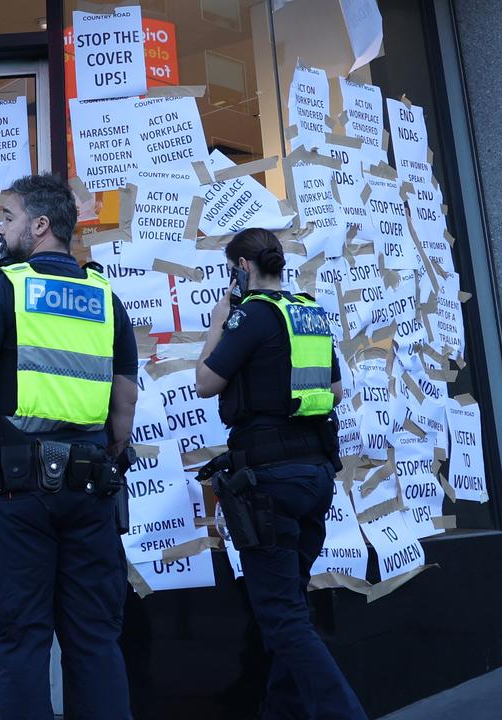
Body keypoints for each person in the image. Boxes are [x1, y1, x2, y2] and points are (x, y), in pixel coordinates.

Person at [0, 173, 139, 720]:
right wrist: (101, 457)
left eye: (8, 217)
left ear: (40, 225)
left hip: (19, 498)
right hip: (91, 491)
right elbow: (123, 412)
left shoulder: (7, 288)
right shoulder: (105, 298)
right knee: (94, 642)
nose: (1, 228)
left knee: (22, 645)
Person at [195, 227, 367, 720]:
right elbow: (334, 390)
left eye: (232, 269)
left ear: (242, 268)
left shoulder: (248, 315)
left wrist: (219, 323)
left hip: (269, 482)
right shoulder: (306, 312)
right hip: (314, 477)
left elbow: (206, 382)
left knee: (283, 616)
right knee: (290, 605)